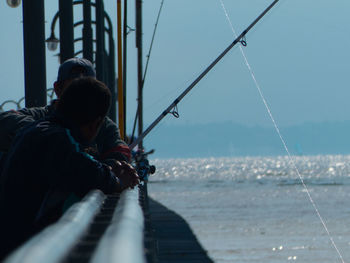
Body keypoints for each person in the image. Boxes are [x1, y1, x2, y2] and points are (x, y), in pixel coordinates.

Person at [0, 77, 139, 259]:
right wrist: (118, 180)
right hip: (24, 249)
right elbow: (86, 172)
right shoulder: (56, 139)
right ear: (95, 125)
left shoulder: (37, 130)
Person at [0, 57, 131, 165]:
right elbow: (5, 119)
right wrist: (48, 136)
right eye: (74, 90)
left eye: (87, 91)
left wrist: (115, 165)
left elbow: (119, 153)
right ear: (57, 89)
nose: (81, 98)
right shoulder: (41, 117)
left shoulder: (104, 126)